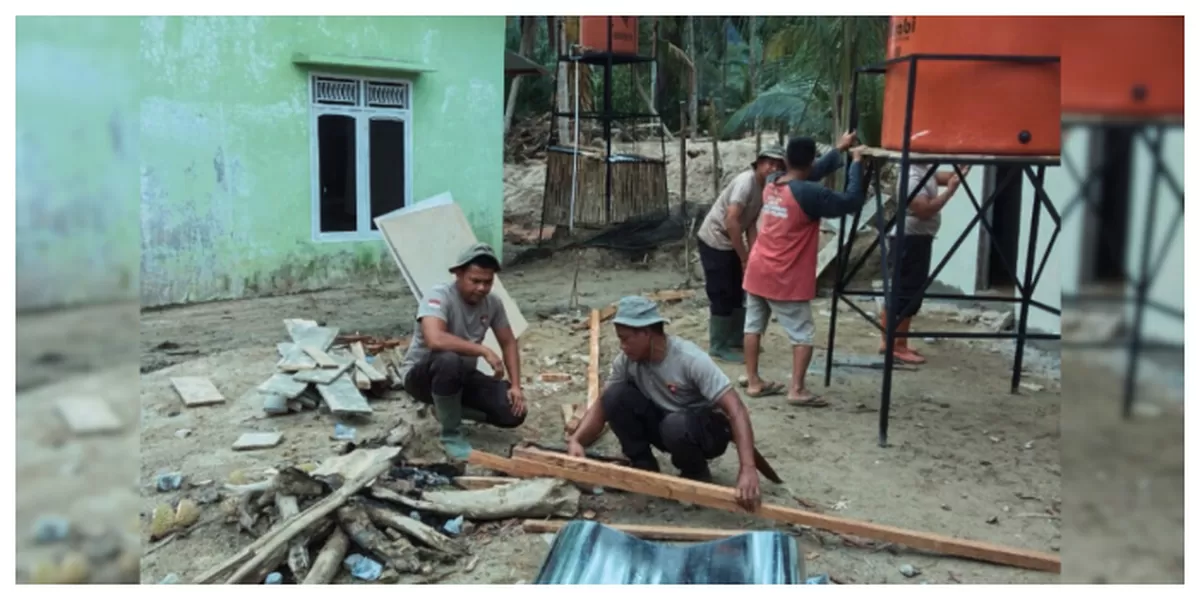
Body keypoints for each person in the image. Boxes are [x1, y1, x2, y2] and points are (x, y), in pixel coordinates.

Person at [567, 296, 762, 510]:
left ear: (646, 333)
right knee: (615, 396)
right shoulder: (626, 361)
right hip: (666, 425)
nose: (622, 346)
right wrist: (577, 441)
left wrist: (748, 468)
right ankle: (643, 467)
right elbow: (603, 404)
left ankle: (696, 472)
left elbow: (736, 409)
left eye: (626, 339)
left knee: (676, 424)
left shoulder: (689, 360)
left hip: (704, 433)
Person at [741, 134, 867, 407]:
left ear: (785, 160)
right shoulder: (810, 194)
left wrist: (838, 151)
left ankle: (753, 381)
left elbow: (810, 171)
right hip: (784, 276)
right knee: (803, 334)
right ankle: (796, 389)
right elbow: (851, 201)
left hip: (758, 269)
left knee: (753, 326)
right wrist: (856, 164)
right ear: (809, 160)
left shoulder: (773, 182)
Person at [398, 243, 527, 459]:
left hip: (461, 377)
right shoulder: (439, 296)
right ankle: (451, 434)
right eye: (475, 281)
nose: (481, 288)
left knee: (512, 411)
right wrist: (483, 350)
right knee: (448, 359)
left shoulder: (493, 303)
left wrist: (515, 386)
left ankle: (444, 411)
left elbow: (508, 342)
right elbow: (435, 339)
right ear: (458, 274)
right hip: (422, 378)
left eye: (487, 282)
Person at [695, 146, 787, 364]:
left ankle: (736, 338)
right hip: (715, 239)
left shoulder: (765, 188)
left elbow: (751, 223)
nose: (772, 167)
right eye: (768, 162)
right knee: (721, 291)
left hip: (731, 241)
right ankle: (718, 345)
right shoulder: (746, 183)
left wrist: (753, 254)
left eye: (777, 164)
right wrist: (744, 256)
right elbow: (732, 220)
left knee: (738, 289)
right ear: (759, 163)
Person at [879, 164, 969, 364]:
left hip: (916, 239)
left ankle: (892, 342)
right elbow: (924, 211)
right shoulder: (912, 176)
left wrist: (961, 169)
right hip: (910, 240)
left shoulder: (923, 170)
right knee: (906, 293)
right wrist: (950, 192)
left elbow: (943, 176)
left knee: (907, 292)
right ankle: (896, 345)